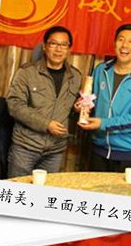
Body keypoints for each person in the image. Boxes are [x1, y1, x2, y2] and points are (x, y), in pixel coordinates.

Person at [78, 24, 131, 174]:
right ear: (114, 43)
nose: (124, 45)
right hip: (99, 150)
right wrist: (82, 106)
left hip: (130, 153)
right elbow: (91, 100)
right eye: (121, 39)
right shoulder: (101, 70)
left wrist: (103, 123)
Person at [6, 26, 82, 177]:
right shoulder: (27, 72)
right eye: (53, 44)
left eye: (64, 45)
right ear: (44, 46)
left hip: (55, 150)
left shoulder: (76, 76)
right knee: (17, 188)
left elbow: (70, 112)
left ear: (69, 49)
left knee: (45, 189)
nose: (58, 49)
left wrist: (77, 109)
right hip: (25, 147)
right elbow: (14, 105)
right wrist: (46, 124)